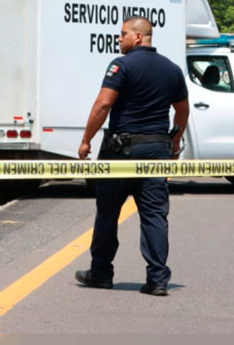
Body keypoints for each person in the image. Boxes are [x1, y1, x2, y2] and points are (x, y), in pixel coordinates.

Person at [75, 16, 189, 297]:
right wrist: (174, 144)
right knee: (154, 215)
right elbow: (182, 111)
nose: (118, 38)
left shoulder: (121, 65)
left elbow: (103, 104)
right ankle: (158, 279)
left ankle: (101, 273)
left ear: (137, 37)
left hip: (121, 151)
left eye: (122, 34)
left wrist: (86, 140)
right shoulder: (172, 69)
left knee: (108, 212)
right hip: (156, 150)